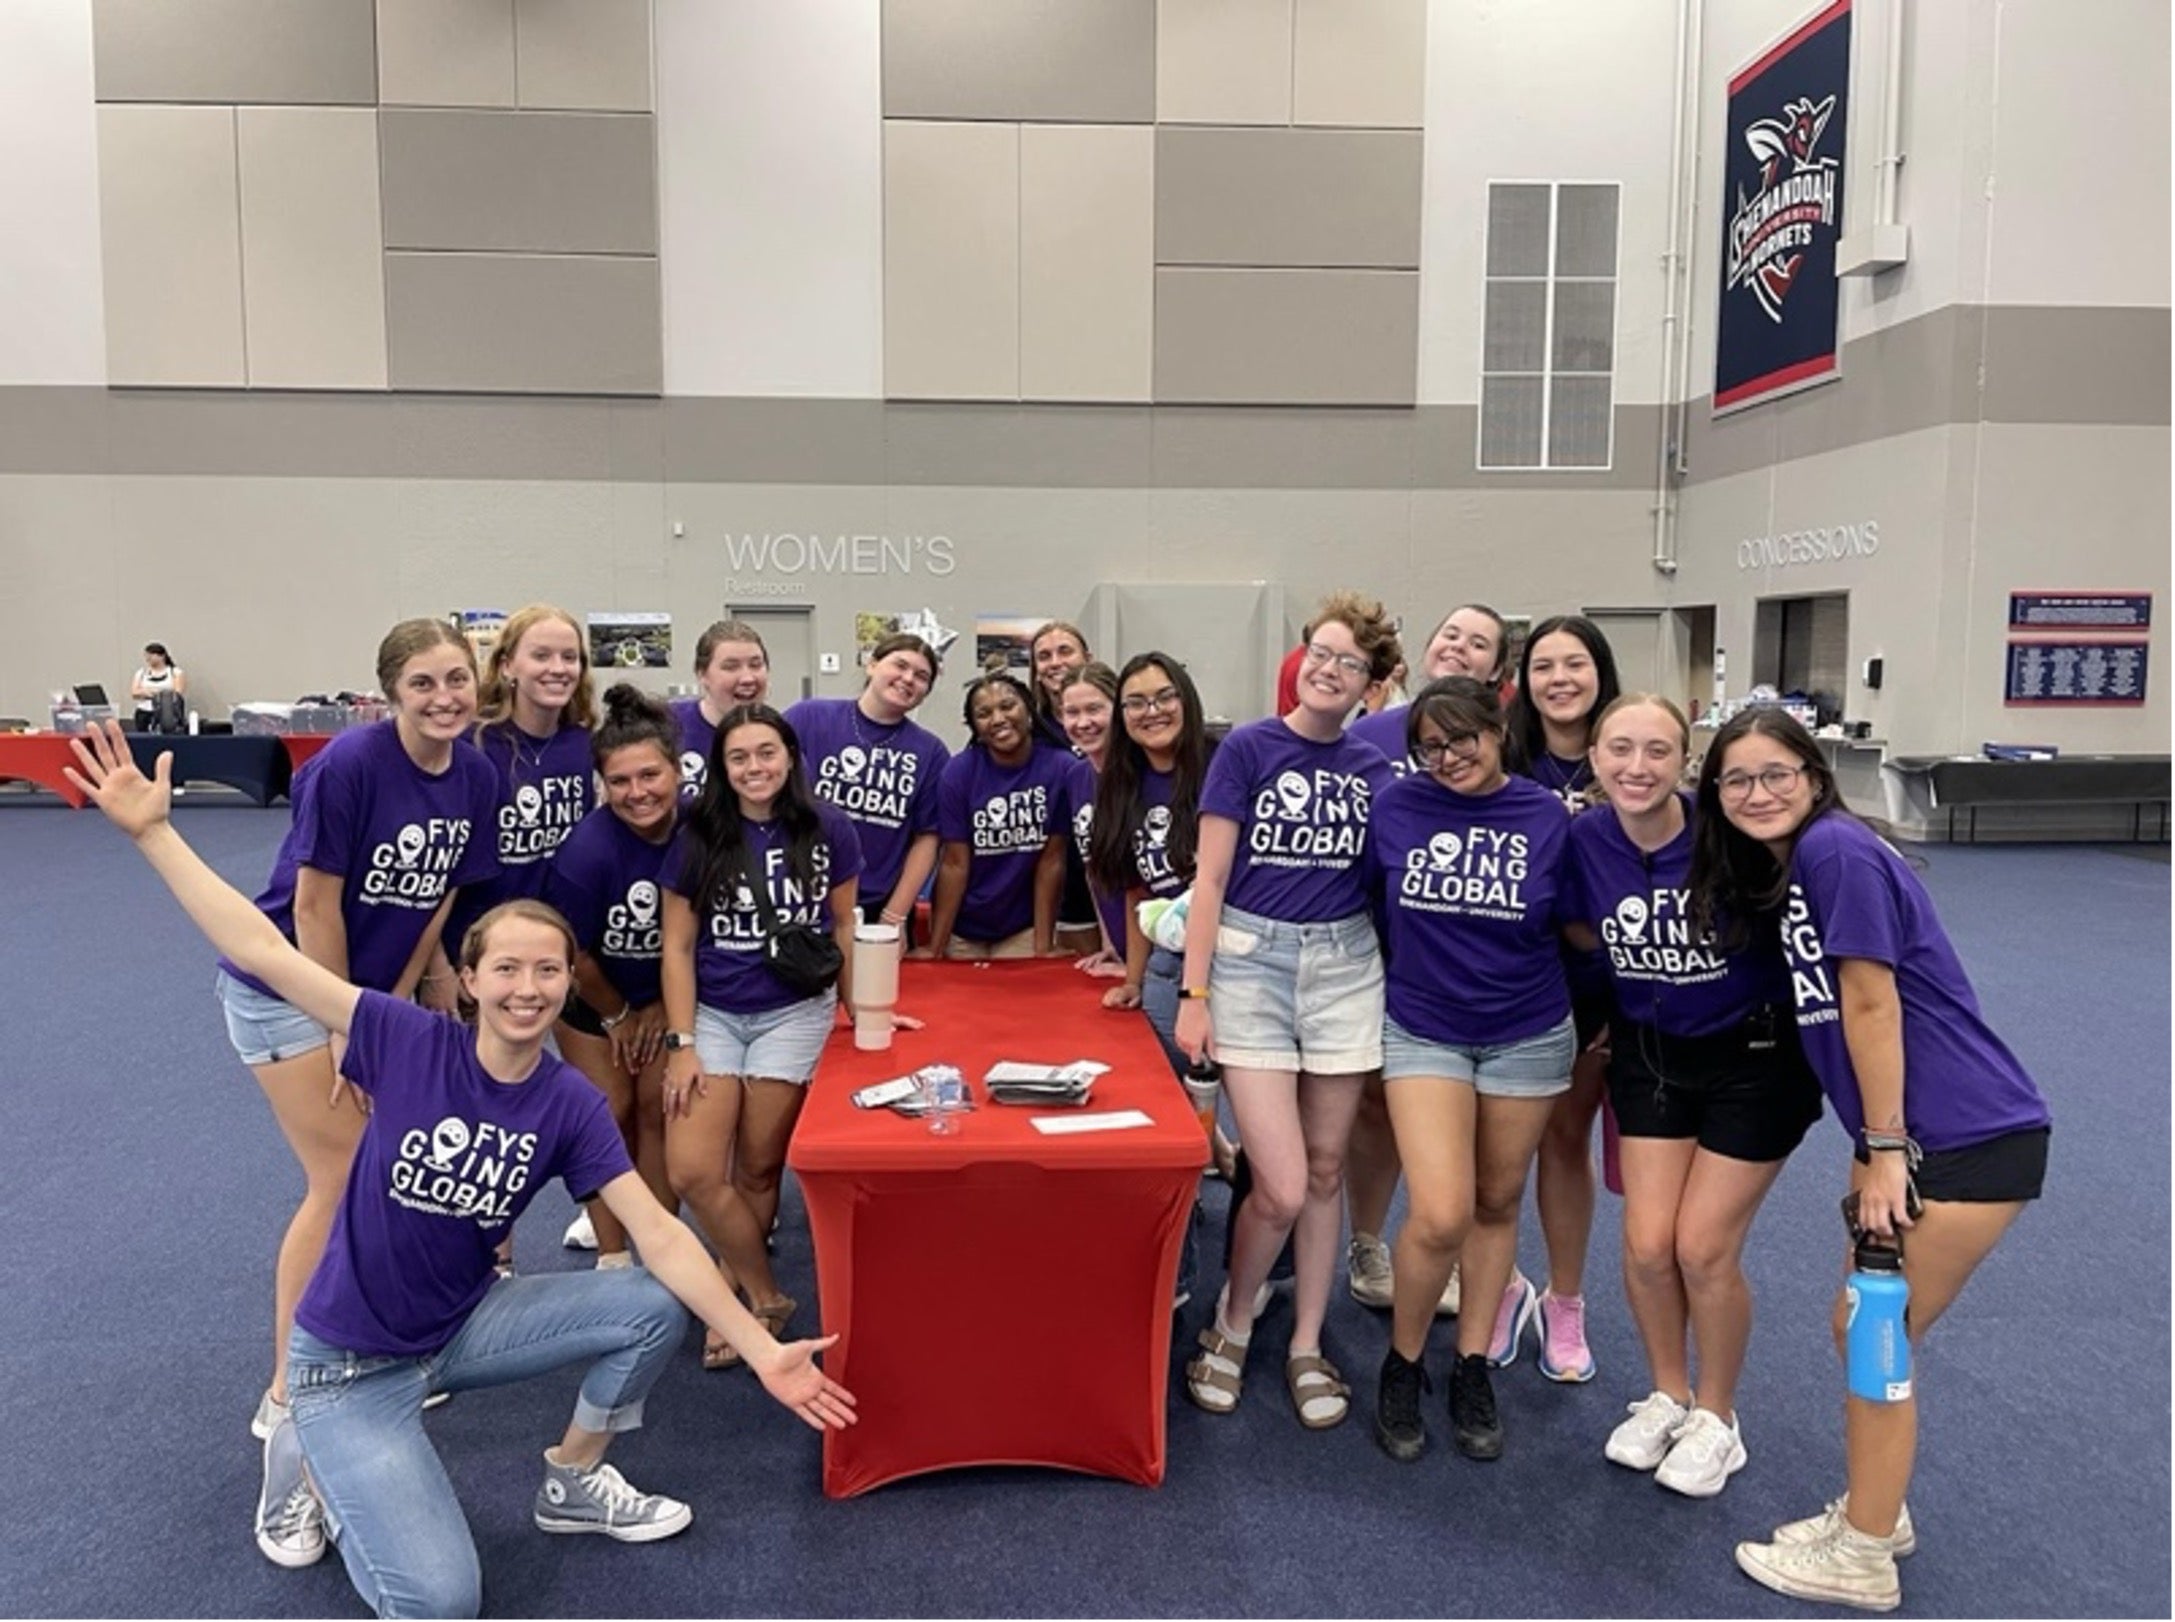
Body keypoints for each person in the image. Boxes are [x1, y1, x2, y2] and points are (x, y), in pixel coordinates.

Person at [65, 722, 855, 1617]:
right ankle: (305, 1456)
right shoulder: (401, 1039)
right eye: (508, 969)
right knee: (443, 1601)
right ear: (470, 980)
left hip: (462, 1329)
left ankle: (573, 1477)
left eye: (548, 971)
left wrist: (763, 1349)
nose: (529, 988)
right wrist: (155, 834)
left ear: (567, 984)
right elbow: (265, 952)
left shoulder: (566, 1104)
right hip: (350, 1366)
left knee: (646, 1299)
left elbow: (661, 1232)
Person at [1687, 708, 2050, 1611]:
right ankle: (1874, 1514)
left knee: (1871, 1336)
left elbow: (1870, 1003)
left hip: (1959, 1135)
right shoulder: (1810, 862)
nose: (1757, 792)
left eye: (1776, 773)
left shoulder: (1834, 853)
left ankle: (1862, 1552)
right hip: (1919, 1135)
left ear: (1813, 775)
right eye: (1736, 780)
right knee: (1863, 1327)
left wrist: (1887, 1148)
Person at [223, 619, 503, 1450]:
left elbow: (438, 896)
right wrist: (345, 1020)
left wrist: (413, 990)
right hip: (287, 990)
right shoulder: (349, 766)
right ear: (391, 693)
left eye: (456, 678)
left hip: (367, 993)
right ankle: (285, 1393)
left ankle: (372, 1347)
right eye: (423, 684)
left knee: (391, 1168)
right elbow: (313, 905)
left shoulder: (476, 774)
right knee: (344, 1176)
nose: (444, 697)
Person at [1563, 696, 1822, 1498]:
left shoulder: (1730, 838)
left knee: (1702, 1247)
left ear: (1686, 762)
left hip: (1754, 1060)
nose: (1635, 768)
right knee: (1645, 1245)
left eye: (1656, 751)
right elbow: (1576, 930)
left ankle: (1718, 1415)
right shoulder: (1582, 839)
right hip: (1649, 1055)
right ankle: (1667, 1393)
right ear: (1594, 758)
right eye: (1618, 750)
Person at [1175, 592, 1397, 1431]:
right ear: (1299, 659)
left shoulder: (1375, 773)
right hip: (1249, 966)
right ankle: (1233, 1322)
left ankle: (1306, 1338)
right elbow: (1211, 881)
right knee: (1279, 1183)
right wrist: (1193, 996)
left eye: (1349, 664)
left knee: (1328, 1170)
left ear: (1369, 687)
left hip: (1343, 968)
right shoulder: (1247, 748)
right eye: (1321, 653)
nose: (1330, 670)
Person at [1361, 677, 1577, 1463]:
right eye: (1431, 745)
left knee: (1495, 1200)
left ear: (1498, 729)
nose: (1448, 757)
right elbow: (1373, 913)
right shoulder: (1395, 808)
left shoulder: (1544, 817)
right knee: (1440, 1212)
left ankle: (1472, 1363)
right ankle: (1403, 1360)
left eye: (1464, 739)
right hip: (1424, 1029)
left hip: (1527, 1030)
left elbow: (1572, 926)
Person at [662, 705, 863, 1370]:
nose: (755, 768)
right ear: (721, 766)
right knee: (691, 1168)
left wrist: (861, 1009)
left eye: (767, 753)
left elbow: (842, 926)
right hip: (715, 1013)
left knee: (756, 1164)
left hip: (795, 1011)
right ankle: (766, 1291)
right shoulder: (697, 831)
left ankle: (735, 1293)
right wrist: (682, 1040)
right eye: (739, 757)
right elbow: (678, 944)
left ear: (790, 756)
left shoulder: (827, 823)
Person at [1342, 601, 1514, 1320]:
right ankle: (1366, 1240)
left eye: (1479, 643)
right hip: (1383, 948)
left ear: (1498, 674)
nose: (1459, 648)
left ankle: (1457, 1250)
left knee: (1474, 1130)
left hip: (1479, 968)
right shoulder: (1369, 735)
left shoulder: (1505, 747)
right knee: (1379, 1107)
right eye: (1450, 634)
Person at [1493, 614, 1623, 1383]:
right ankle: (1501, 1283)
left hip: (1594, 986)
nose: (1559, 679)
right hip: (1506, 980)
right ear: (1523, 680)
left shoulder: (1629, 762)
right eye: (1543, 666)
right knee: (1500, 1155)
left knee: (1565, 1142)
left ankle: (1564, 1301)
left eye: (1575, 663)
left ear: (1600, 672)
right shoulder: (1502, 762)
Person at [543, 685, 685, 1269]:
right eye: (619, 782)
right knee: (607, 1119)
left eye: (650, 776)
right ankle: (612, 1256)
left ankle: (661, 1248)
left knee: (657, 1116)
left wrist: (656, 1012)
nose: (637, 793)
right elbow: (574, 955)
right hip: (592, 998)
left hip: (664, 997)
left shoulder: (703, 830)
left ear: (677, 770)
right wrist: (620, 1015)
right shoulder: (586, 851)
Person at [428, 604, 598, 1014]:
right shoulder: (471, 746)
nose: (558, 668)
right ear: (507, 666)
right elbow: (434, 873)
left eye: (569, 657)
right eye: (541, 656)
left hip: (537, 953)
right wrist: (437, 969)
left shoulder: (583, 745)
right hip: (468, 953)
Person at [785, 632, 950, 945]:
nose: (908, 679)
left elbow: (927, 838)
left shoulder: (931, 752)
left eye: (921, 676)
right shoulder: (808, 718)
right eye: (899, 665)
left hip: (876, 911)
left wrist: (894, 918)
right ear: (872, 665)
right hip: (800, 905)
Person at [917, 673, 1076, 961]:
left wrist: (1043, 946)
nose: (998, 718)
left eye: (1008, 706)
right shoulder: (958, 773)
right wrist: (935, 947)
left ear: (1028, 709)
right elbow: (954, 863)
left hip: (1023, 927)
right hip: (963, 927)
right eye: (984, 713)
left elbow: (1051, 860)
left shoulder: (1061, 768)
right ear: (975, 727)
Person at [1056, 661, 1126, 973]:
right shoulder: (1075, 777)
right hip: (1122, 949)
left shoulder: (1140, 777)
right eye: (1072, 712)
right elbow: (1092, 867)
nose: (1083, 722)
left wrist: (1137, 970)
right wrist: (1110, 944)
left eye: (1095, 709)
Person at [673, 620, 771, 798]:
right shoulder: (666, 726)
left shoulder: (779, 737)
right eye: (731, 667)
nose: (747, 678)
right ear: (702, 675)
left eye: (756, 665)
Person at [1025, 619, 1090, 749]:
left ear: (1087, 660)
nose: (1055, 663)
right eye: (1044, 656)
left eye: (1065, 652)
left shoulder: (1116, 722)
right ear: (1036, 671)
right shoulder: (1030, 733)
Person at [130, 641, 187, 733]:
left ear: (162, 656)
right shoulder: (141, 673)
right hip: (144, 711)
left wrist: (153, 692)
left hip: (166, 712)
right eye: (146, 655)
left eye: (151, 655)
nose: (148, 658)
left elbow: (177, 692)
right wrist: (156, 693)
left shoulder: (175, 672)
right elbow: (135, 692)